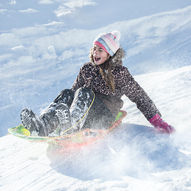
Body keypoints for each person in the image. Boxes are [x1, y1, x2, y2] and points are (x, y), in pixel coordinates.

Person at [20, 31, 175, 136]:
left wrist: (157, 120)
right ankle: (44, 125)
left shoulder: (119, 72)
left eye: (100, 50)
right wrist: (61, 109)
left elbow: (140, 97)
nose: (95, 53)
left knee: (84, 92)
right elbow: (73, 95)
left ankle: (72, 125)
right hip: (83, 114)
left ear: (110, 53)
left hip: (104, 117)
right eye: (94, 49)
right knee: (67, 92)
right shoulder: (87, 69)